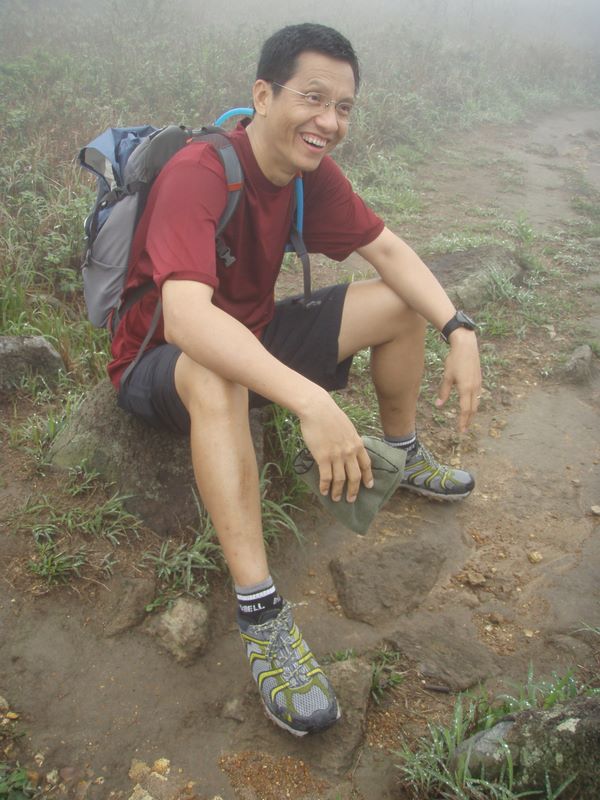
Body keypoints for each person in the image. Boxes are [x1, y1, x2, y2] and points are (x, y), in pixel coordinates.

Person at [109, 22, 482, 736]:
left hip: (250, 333)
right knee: (218, 375)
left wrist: (457, 327)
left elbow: (388, 251)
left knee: (400, 304)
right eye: (313, 98)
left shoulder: (309, 174)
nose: (329, 122)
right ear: (263, 95)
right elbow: (186, 319)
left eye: (343, 107)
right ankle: (262, 614)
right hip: (158, 360)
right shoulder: (199, 171)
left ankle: (401, 453)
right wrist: (309, 399)